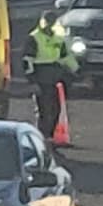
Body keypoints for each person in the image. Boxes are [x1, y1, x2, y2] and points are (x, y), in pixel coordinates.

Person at [23, 10, 79, 141]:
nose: (49, 24)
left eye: (52, 21)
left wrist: (77, 71)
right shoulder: (34, 38)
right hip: (41, 76)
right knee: (44, 110)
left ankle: (49, 137)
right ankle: (42, 137)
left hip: (55, 77)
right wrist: (32, 82)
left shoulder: (58, 38)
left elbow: (66, 57)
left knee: (55, 109)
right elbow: (27, 61)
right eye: (47, 21)